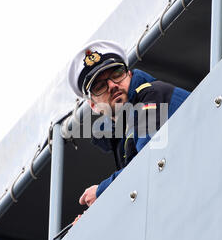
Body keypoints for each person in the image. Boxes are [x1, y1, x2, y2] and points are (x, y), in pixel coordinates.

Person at [67, 40, 190, 218]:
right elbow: (138, 193)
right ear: (93, 105)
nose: (112, 85)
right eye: (100, 86)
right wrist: (92, 218)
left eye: (117, 74)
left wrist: (102, 192)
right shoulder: (123, 133)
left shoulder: (151, 96)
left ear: (129, 74)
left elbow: (149, 164)